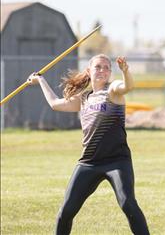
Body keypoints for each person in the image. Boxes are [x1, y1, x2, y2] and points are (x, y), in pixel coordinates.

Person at [27, 54, 150, 235]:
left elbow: (128, 86)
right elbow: (55, 104)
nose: (102, 70)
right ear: (89, 71)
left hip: (117, 161)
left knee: (128, 204)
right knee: (65, 212)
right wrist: (41, 80)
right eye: (98, 67)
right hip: (89, 163)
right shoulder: (83, 98)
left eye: (106, 67)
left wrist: (125, 71)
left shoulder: (113, 90)